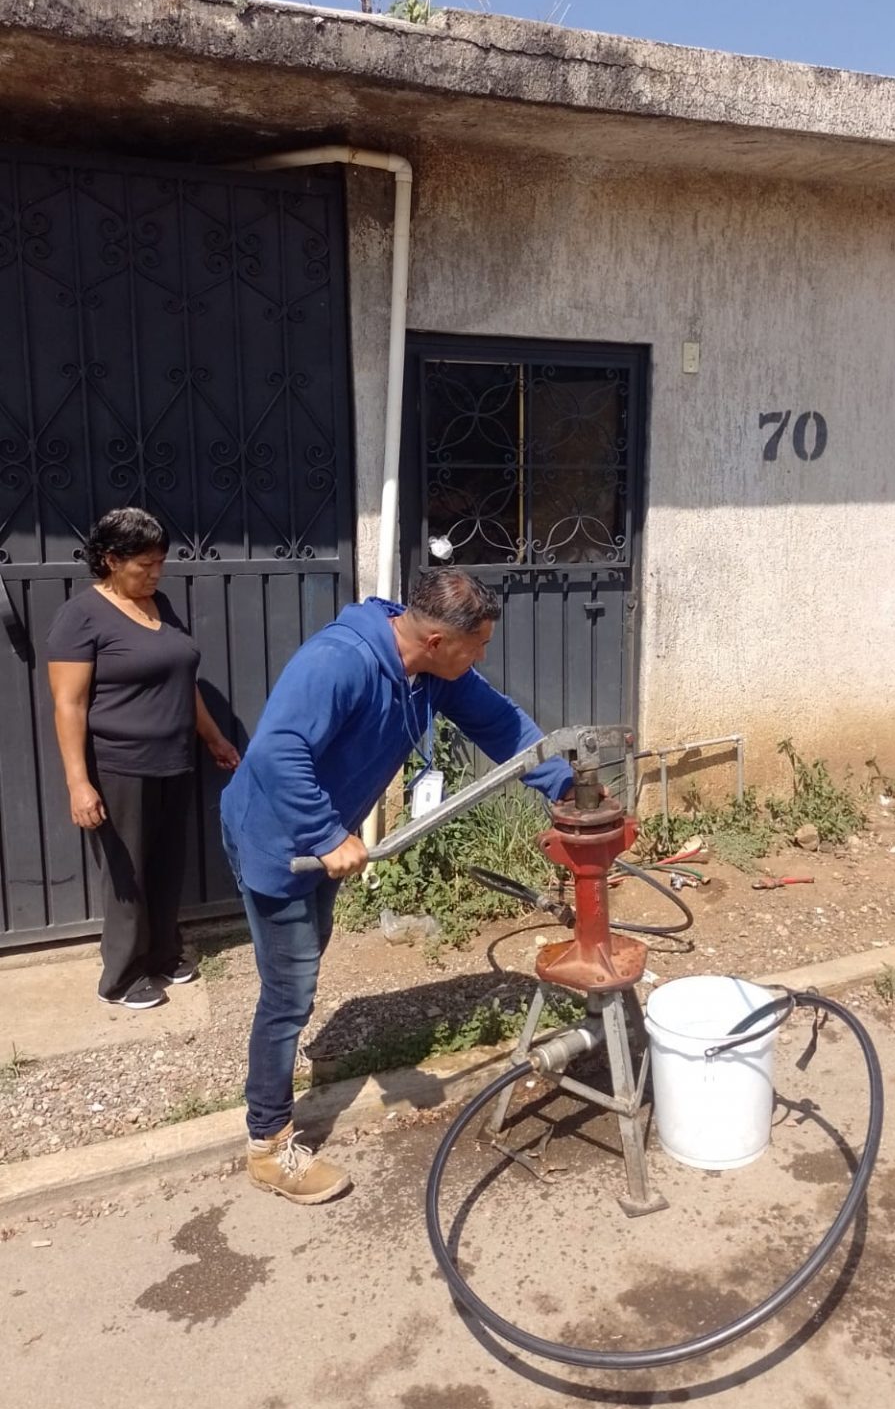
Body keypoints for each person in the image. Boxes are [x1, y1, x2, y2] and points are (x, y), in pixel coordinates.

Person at [221, 568, 576, 1204]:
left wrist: (565, 786)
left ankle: (280, 1094)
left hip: (321, 843)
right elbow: (277, 751)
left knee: (303, 964)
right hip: (278, 842)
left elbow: (501, 724)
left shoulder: (432, 672)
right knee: (288, 991)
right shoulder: (339, 661)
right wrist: (326, 835)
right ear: (438, 641)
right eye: (477, 646)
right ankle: (268, 1146)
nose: (482, 657)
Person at [46, 508, 240, 1010]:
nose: (157, 573)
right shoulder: (80, 616)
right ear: (112, 560)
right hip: (120, 766)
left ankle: (162, 953)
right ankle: (121, 977)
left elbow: (183, 682)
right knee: (127, 874)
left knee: (166, 865)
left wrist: (214, 738)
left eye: (160, 562)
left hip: (173, 759)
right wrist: (78, 782)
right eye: (145, 564)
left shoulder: (160, 605)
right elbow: (69, 704)